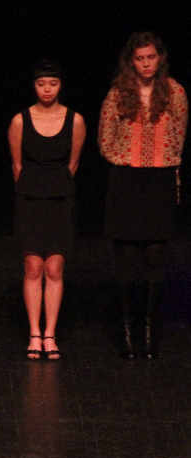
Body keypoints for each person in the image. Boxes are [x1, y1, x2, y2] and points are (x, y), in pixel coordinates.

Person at [99, 32, 187, 359]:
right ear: (131, 61)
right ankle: (125, 329)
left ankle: (149, 329)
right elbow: (105, 138)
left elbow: (178, 137)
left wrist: (160, 163)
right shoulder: (118, 94)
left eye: (151, 57)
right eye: (140, 58)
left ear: (159, 58)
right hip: (126, 179)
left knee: (153, 257)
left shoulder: (175, 92)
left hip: (159, 180)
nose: (146, 64)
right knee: (124, 257)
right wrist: (128, 158)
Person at [8, 61, 86, 360]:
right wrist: (32, 187)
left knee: (54, 268)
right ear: (35, 86)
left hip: (60, 198)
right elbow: (17, 165)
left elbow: (73, 164)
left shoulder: (75, 120)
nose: (47, 89)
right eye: (42, 84)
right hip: (29, 198)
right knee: (33, 267)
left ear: (60, 85)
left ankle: (50, 333)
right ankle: (34, 333)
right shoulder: (20, 121)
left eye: (52, 83)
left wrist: (55, 186)